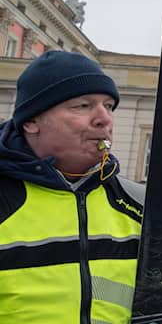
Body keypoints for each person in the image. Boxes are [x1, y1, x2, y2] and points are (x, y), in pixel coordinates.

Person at [0, 50, 144, 323]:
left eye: (109, 106)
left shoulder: (138, 203)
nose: (104, 118)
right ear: (31, 121)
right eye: (83, 106)